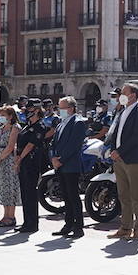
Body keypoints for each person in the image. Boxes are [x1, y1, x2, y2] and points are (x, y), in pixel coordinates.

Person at [104, 82, 138, 241]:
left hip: (133, 159)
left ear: (133, 95)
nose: (120, 96)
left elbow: (137, 138)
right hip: (119, 159)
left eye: (124, 92)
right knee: (123, 194)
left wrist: (119, 151)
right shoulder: (121, 112)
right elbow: (115, 133)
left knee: (136, 195)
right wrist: (111, 149)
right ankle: (125, 227)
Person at [49, 95, 87, 237]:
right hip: (59, 165)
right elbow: (53, 142)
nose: (60, 110)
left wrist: (61, 159)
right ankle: (68, 224)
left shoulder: (78, 123)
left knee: (73, 196)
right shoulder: (60, 123)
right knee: (65, 196)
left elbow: (74, 145)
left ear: (71, 108)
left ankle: (78, 226)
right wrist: (53, 157)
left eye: (62, 107)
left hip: (71, 165)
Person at [15, 100, 47, 236]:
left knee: (30, 193)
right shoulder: (28, 126)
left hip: (31, 161)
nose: (27, 112)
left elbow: (30, 145)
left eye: (30, 109)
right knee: (25, 193)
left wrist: (19, 159)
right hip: (23, 160)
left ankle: (32, 223)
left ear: (37, 110)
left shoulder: (40, 126)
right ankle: (26, 221)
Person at [0, 105, 21, 227]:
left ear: (11, 116)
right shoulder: (2, 128)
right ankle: (5, 215)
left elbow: (11, 145)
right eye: (0, 115)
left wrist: (0, 158)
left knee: (10, 188)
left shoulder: (15, 127)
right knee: (2, 188)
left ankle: (11, 216)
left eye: (3, 115)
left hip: (8, 161)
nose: (1, 117)